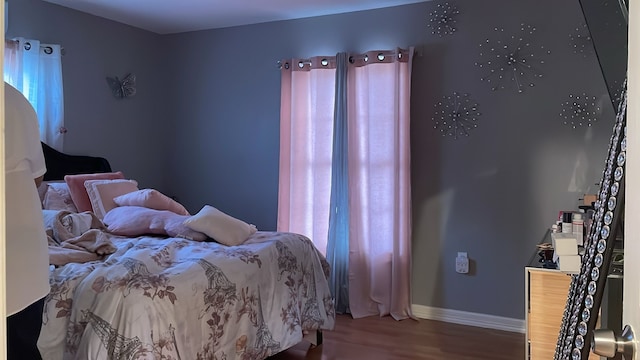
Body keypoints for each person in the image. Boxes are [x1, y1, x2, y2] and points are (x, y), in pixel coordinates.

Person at [4, 81, 50, 359]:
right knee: (23, 346)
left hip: (12, 255)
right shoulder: (18, 99)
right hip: (31, 256)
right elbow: (37, 178)